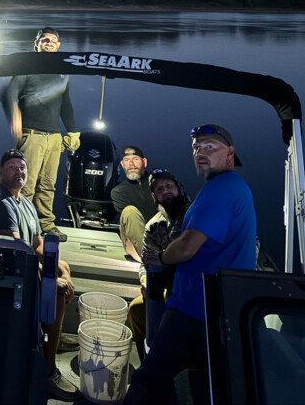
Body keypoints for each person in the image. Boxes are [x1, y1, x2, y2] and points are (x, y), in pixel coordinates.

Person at [123, 124, 256, 405]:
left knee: (149, 379)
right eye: (196, 148)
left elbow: (186, 247)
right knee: (194, 384)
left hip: (195, 309)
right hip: (211, 308)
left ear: (230, 153)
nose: (200, 153)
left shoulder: (220, 190)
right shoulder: (231, 189)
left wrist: (162, 258)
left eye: (209, 147)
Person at [0, 149, 79, 401]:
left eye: (22, 168)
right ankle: (48, 370)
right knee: (54, 292)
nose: (18, 172)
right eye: (11, 167)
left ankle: (52, 334)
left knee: (63, 267)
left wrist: (61, 271)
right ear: (0, 172)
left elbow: (37, 245)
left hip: (21, 266)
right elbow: (17, 253)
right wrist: (53, 280)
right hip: (3, 278)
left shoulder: (26, 203)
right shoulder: (0, 203)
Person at [0, 27, 80, 242]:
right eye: (44, 40)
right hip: (32, 135)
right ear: (36, 44)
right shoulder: (26, 66)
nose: (48, 43)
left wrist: (73, 131)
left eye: (53, 40)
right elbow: (10, 93)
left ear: (58, 45)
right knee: (24, 184)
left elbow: (66, 103)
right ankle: (21, 226)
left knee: (48, 185)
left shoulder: (62, 70)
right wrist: (14, 116)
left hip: (54, 137)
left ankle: (46, 224)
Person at [126, 168, 191, 361]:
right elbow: (147, 262)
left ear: (179, 187)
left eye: (169, 186)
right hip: (169, 287)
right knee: (137, 309)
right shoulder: (154, 227)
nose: (165, 191)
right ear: (155, 197)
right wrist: (146, 280)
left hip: (199, 286)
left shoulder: (199, 213)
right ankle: (150, 358)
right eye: (160, 189)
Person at [110, 146, 159, 260]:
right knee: (129, 211)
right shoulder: (118, 192)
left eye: (135, 159)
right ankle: (152, 260)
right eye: (127, 160)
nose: (131, 164)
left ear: (144, 162)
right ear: (123, 165)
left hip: (166, 238)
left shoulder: (160, 184)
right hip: (139, 245)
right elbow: (133, 225)